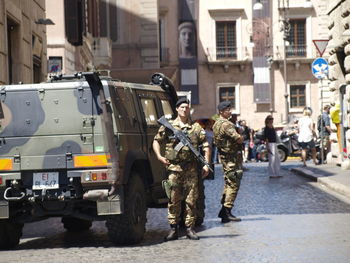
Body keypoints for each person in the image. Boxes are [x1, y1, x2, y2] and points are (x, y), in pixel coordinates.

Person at [152, 98, 210, 241]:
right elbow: (156, 141)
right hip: (174, 169)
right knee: (173, 199)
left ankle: (190, 228)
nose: (185, 109)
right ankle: (173, 229)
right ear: (177, 109)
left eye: (187, 107)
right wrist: (159, 156)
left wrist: (206, 163)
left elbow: (206, 145)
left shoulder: (196, 128)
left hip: (191, 169)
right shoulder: (169, 126)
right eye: (182, 107)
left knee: (191, 200)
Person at [213, 101, 244, 223]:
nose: (230, 112)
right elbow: (238, 139)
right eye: (227, 110)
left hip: (224, 156)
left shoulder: (216, 124)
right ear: (221, 111)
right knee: (233, 182)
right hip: (231, 157)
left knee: (228, 182)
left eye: (230, 109)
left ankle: (224, 210)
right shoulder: (227, 125)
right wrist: (241, 137)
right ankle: (227, 210)